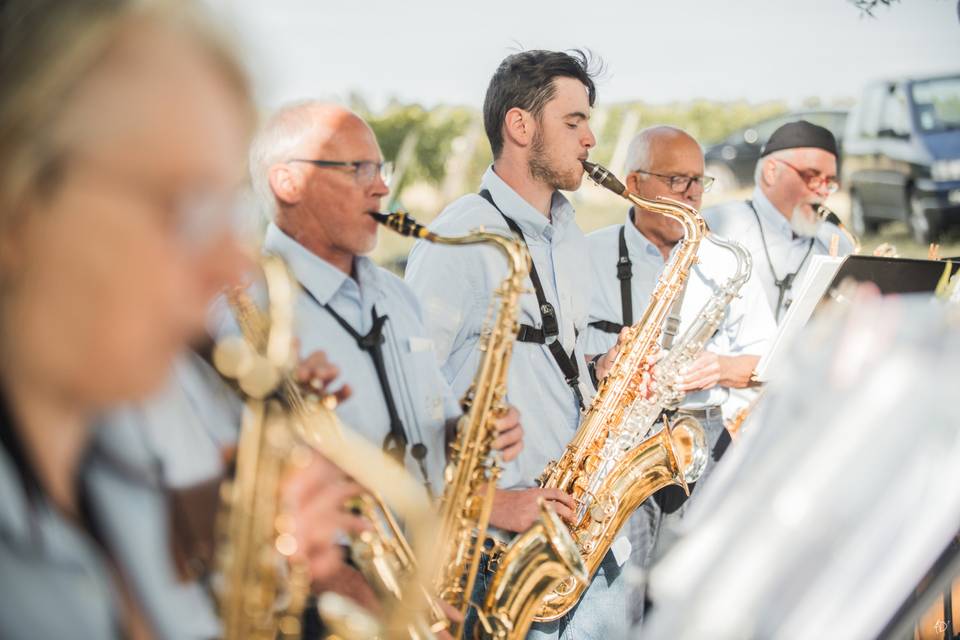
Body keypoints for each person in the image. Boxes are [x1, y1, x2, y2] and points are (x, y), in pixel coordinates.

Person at [0, 2, 364, 638]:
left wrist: (260, 548)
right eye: (184, 208)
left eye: (224, 208)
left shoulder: (113, 470)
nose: (231, 267)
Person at [243, 100, 525, 610]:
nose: (381, 187)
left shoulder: (396, 297)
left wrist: (470, 427)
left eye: (380, 168)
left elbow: (432, 419)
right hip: (330, 597)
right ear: (287, 182)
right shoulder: (248, 315)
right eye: (358, 169)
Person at [405, 49, 625, 639]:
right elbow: (405, 396)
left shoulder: (570, 232)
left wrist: (606, 368)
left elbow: (555, 355)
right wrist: (495, 504)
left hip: (578, 526)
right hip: (496, 551)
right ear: (520, 126)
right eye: (573, 121)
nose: (590, 138)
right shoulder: (459, 235)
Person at [580, 125, 777, 625]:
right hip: (619, 438)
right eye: (676, 181)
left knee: (706, 589)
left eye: (698, 182)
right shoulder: (586, 254)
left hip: (702, 430)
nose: (691, 195)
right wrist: (603, 362)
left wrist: (723, 366)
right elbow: (567, 352)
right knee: (619, 594)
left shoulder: (726, 258)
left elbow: (770, 358)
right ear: (634, 183)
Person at [704, 120, 855, 323]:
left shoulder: (836, 240)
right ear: (771, 172)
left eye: (830, 182)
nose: (822, 191)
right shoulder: (717, 225)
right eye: (812, 176)